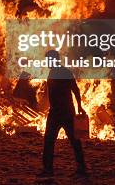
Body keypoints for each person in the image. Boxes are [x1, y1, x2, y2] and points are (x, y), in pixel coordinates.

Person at [39, 50, 87, 178]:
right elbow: (75, 90)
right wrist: (79, 106)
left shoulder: (64, 72)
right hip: (56, 112)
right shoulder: (56, 72)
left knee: (71, 141)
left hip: (64, 113)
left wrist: (79, 106)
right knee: (51, 141)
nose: (47, 62)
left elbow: (75, 90)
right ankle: (49, 169)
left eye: (48, 60)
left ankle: (80, 169)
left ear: (54, 59)